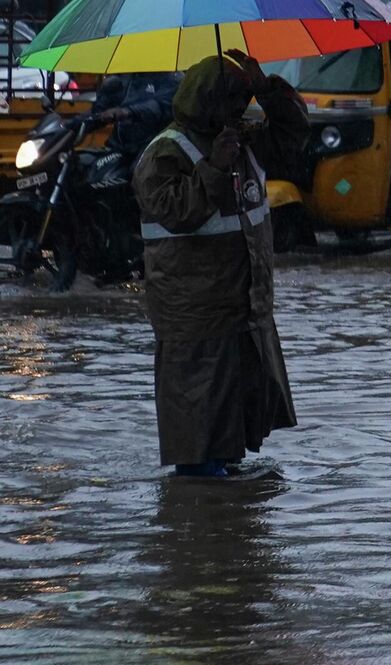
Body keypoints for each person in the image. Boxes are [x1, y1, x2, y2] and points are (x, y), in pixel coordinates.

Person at [132, 51, 307, 478]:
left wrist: (267, 89)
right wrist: (214, 167)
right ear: (209, 101)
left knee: (232, 427)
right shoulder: (165, 153)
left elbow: (294, 135)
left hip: (241, 308)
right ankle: (198, 511)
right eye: (233, 101)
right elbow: (177, 211)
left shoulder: (241, 140)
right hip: (195, 315)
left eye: (244, 101)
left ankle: (223, 514)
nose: (240, 111)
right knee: (198, 432)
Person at [91, 72, 179, 164]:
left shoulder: (172, 79)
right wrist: (80, 122)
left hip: (151, 148)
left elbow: (160, 107)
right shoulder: (125, 78)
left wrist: (128, 111)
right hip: (118, 147)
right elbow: (101, 110)